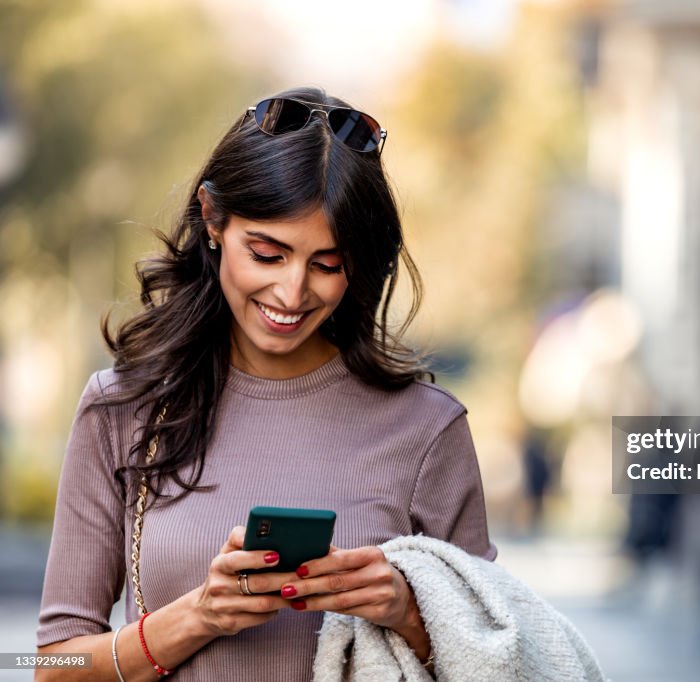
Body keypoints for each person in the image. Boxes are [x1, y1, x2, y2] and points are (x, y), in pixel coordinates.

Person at [36, 86, 495, 680]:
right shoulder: (122, 409)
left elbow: (499, 654)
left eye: (327, 264)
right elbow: (46, 665)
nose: (292, 292)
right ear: (212, 219)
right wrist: (199, 615)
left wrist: (408, 611)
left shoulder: (428, 429)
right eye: (267, 253)